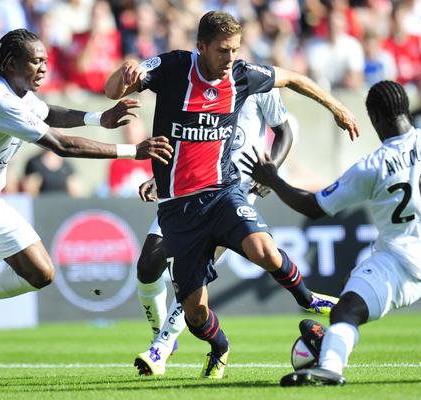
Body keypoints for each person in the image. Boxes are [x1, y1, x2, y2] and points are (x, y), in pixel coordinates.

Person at [241, 19, 421, 386]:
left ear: (375, 118)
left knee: (346, 310)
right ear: (406, 109)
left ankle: (330, 366)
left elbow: (314, 207)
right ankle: (328, 353)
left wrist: (273, 179)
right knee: (348, 301)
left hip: (396, 263)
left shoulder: (373, 166)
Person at [105, 11, 359, 379]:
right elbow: (113, 91)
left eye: (235, 50)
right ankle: (220, 345)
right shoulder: (174, 67)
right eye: (223, 50)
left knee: (263, 249)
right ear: (201, 46)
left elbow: (294, 78)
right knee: (195, 312)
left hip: (225, 193)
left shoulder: (243, 75)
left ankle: (307, 297)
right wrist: (123, 74)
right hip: (178, 208)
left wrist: (338, 107)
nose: (230, 58)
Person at [0, 28, 173, 351]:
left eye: (46, 61)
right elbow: (62, 145)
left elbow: (49, 113)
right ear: (10, 63)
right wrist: (133, 151)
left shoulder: (19, 96)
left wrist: (99, 118)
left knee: (41, 273)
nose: (44, 69)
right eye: (35, 61)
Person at [132, 87, 294, 376]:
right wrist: (160, 176)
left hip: (231, 198)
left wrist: (272, 171)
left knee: (192, 277)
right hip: (187, 191)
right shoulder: (198, 82)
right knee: (147, 265)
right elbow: (188, 138)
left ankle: (161, 346)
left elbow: (284, 132)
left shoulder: (259, 81)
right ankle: (163, 333)